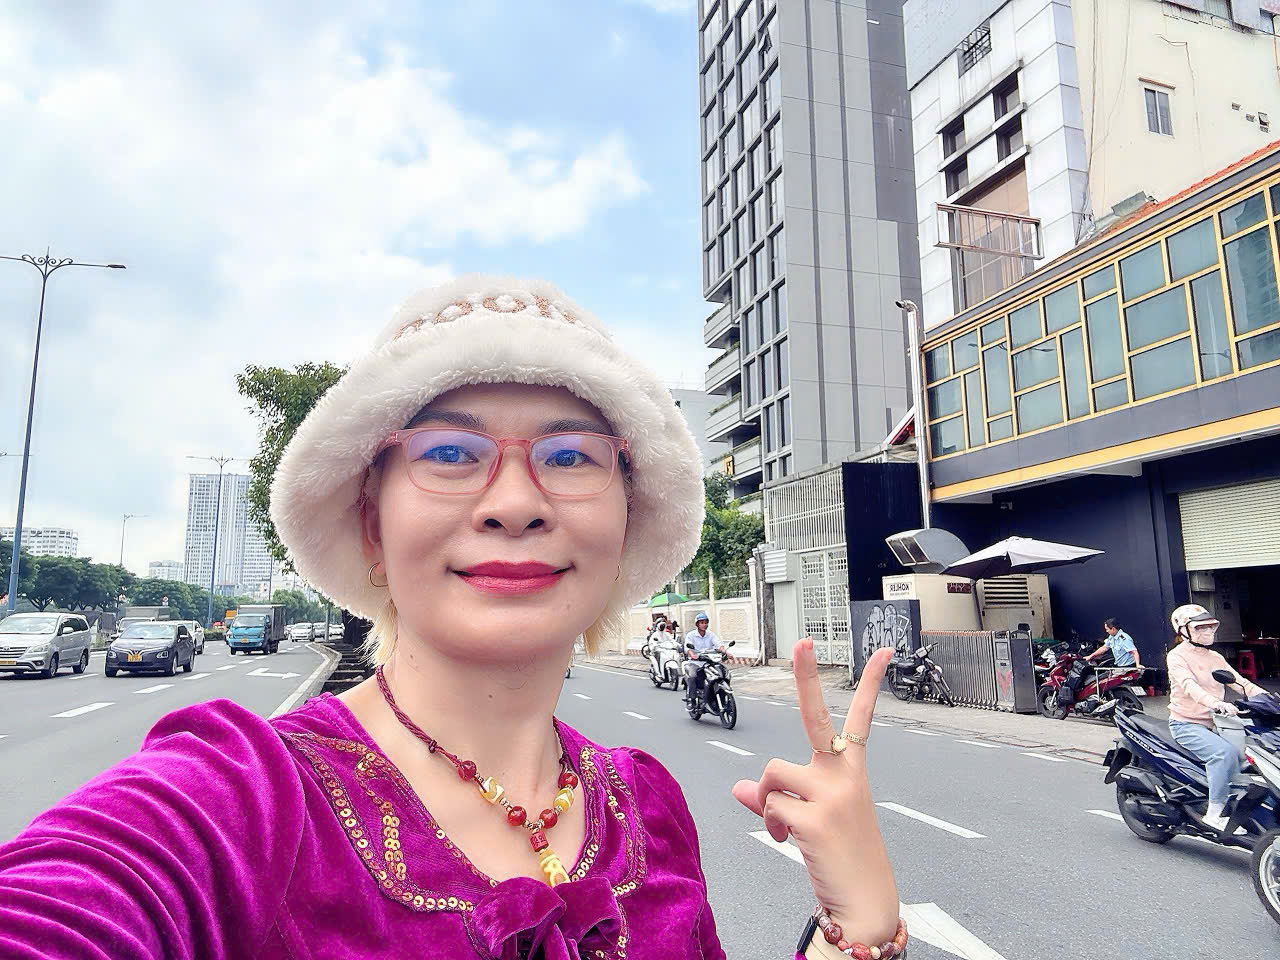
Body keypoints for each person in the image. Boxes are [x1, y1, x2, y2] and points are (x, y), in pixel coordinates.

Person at [0, 278, 903, 959]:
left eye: (570, 456)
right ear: (373, 524)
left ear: (626, 522)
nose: (514, 503)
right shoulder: (239, 801)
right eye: (448, 452)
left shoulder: (647, 804)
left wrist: (860, 928)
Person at [1166, 603, 1266, 834]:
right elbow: (1188, 685)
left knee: (1252, 753)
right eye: (1200, 628)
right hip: (1186, 723)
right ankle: (1214, 813)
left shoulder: (1215, 657)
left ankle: (1238, 803)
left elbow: (1240, 683)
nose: (1207, 631)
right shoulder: (1176, 656)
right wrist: (1215, 703)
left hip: (1217, 723)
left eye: (1210, 626)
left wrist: (1270, 699)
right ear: (1184, 630)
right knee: (1223, 754)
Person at [683, 612, 725, 706]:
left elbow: (718, 644)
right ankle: (692, 699)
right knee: (692, 676)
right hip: (695, 662)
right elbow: (687, 648)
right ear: (697, 624)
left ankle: (721, 696)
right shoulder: (691, 635)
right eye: (702, 622)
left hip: (709, 662)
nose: (704, 624)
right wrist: (692, 655)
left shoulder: (711, 634)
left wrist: (725, 652)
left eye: (706, 622)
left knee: (723, 674)